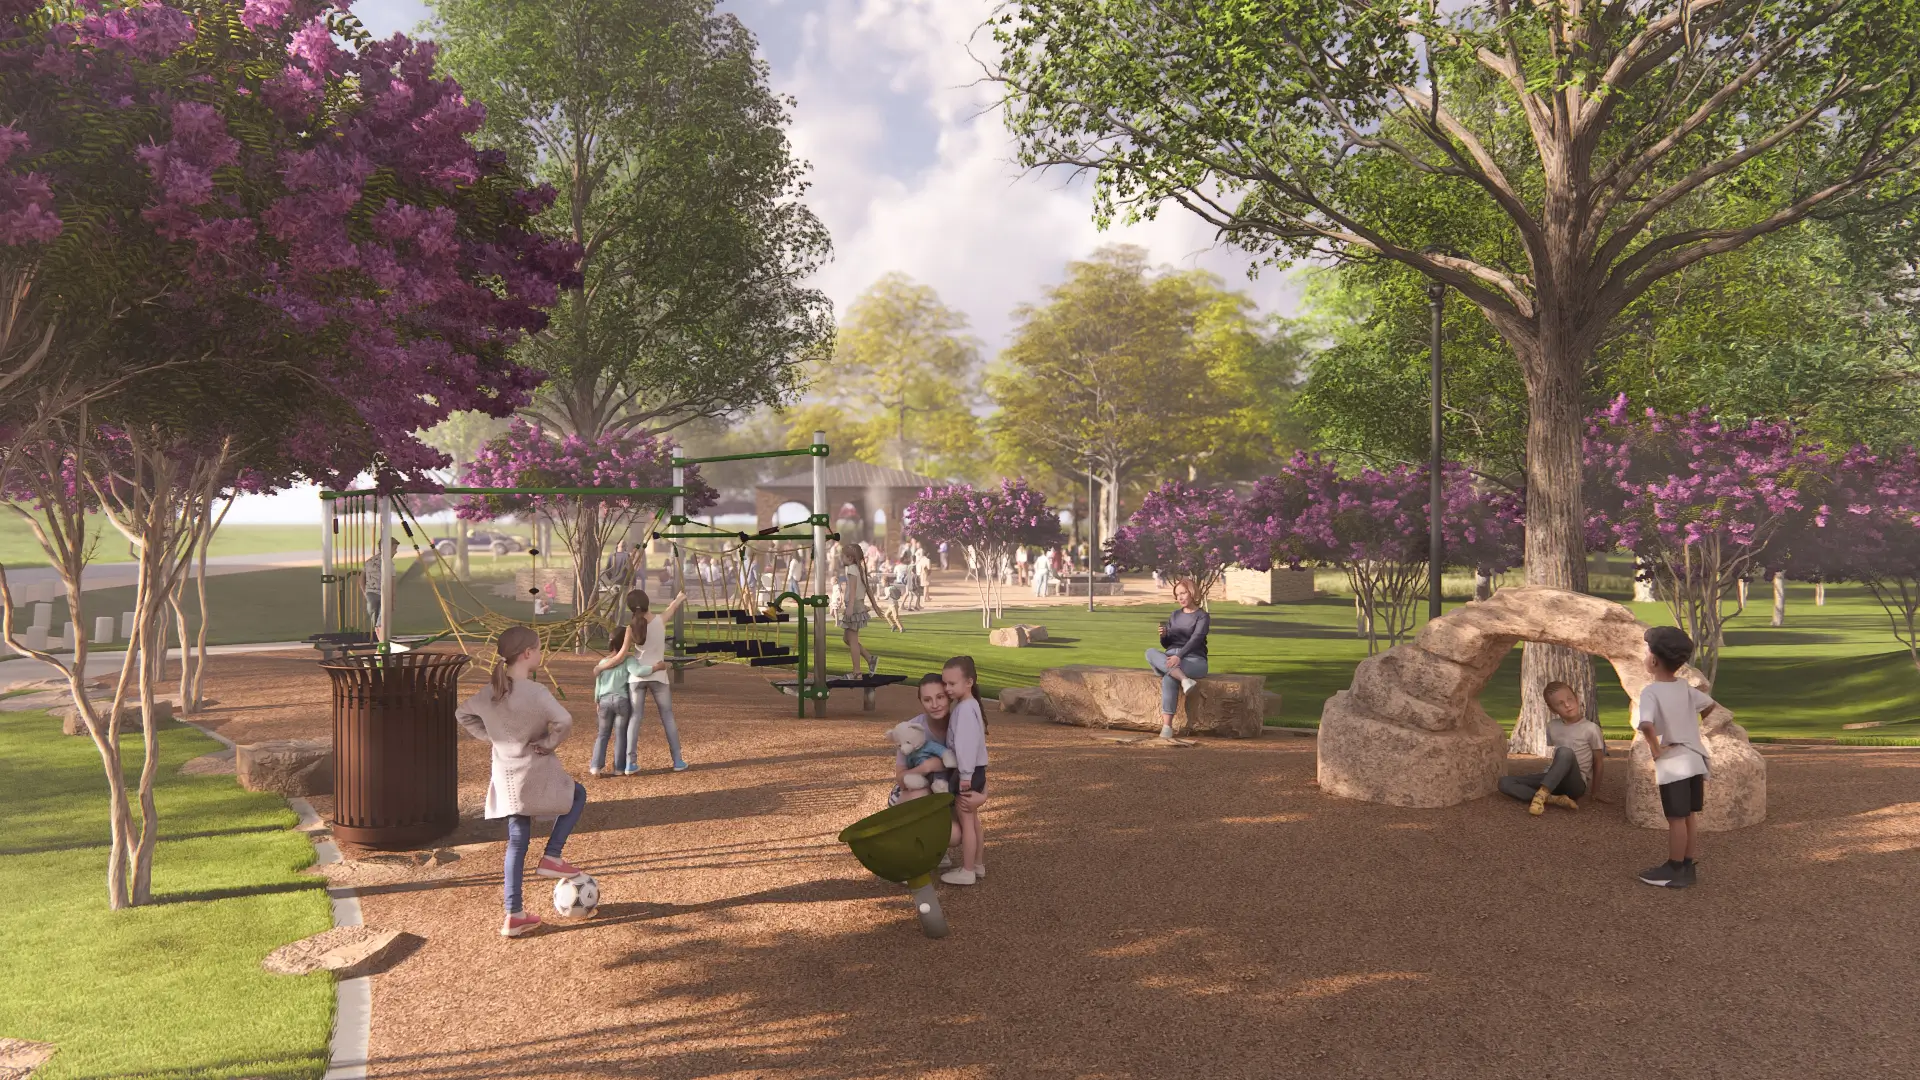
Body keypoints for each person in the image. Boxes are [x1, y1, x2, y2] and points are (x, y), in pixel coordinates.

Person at [456, 626, 589, 938]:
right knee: (577, 794)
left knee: (517, 839)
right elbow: (564, 720)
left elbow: (462, 714)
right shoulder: (536, 692)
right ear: (527, 653)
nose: (541, 654)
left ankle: (514, 914)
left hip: (506, 775)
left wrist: (494, 737)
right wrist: (549, 743)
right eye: (539, 649)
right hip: (534, 768)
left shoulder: (489, 692)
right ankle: (552, 855)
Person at [1637, 626, 1714, 889]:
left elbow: (1646, 724)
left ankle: (1674, 867)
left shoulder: (1651, 692)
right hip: (1694, 758)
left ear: (1654, 661)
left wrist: (1656, 750)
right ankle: (1688, 864)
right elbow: (1710, 706)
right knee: (1689, 815)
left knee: (1676, 819)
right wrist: (1695, 730)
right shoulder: (1684, 687)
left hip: (1674, 763)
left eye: (1646, 652)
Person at [1499, 681, 1608, 814]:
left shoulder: (1591, 729)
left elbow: (1598, 761)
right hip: (1552, 779)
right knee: (1504, 782)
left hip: (1574, 783)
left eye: (1569, 699)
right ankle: (1553, 799)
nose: (1567, 705)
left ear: (1577, 699)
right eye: (1560, 703)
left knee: (1565, 752)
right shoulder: (1552, 726)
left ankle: (1542, 794)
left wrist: (1595, 792)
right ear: (1552, 709)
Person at [624, 588, 689, 773]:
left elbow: (623, 653)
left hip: (636, 677)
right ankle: (677, 761)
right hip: (659, 676)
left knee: (635, 718)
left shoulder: (631, 627)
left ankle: (629, 763)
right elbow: (672, 608)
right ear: (647, 603)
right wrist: (679, 597)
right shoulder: (660, 621)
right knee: (667, 717)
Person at [939, 656, 989, 885]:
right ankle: (977, 864)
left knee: (967, 821)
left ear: (969, 682)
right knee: (973, 820)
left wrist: (965, 776)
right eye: (945, 683)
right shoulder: (970, 705)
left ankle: (967, 870)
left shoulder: (965, 709)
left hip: (967, 772)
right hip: (975, 770)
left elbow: (965, 745)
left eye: (952, 683)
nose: (947, 688)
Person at [1146, 578, 1210, 739]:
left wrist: (1179, 656)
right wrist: (1163, 636)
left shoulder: (1202, 616)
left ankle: (1166, 727)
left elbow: (1196, 639)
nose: (1180, 597)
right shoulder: (1174, 615)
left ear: (1192, 592)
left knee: (1169, 677)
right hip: (1171, 657)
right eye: (1177, 595)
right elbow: (1167, 644)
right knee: (1150, 652)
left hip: (1195, 660)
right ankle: (1184, 679)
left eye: (1183, 593)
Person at [588, 625, 639, 777]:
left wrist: (597, 701)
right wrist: (656, 667)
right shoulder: (629, 660)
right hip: (621, 700)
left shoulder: (603, 662)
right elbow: (638, 671)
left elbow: (598, 685)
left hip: (604, 700)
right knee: (621, 735)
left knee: (602, 734)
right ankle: (619, 768)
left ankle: (595, 766)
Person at [838, 541, 884, 676]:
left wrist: (850, 607)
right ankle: (870, 659)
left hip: (854, 606)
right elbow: (868, 589)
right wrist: (875, 606)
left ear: (850, 558)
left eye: (843, 556)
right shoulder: (860, 569)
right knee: (847, 639)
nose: (842, 558)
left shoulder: (852, 569)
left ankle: (857, 672)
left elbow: (852, 590)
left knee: (852, 640)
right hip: (858, 604)